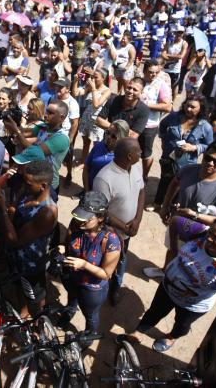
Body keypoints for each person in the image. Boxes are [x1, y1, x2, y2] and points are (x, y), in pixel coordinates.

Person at [129, 216, 216, 352]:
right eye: (210, 232)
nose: (209, 238)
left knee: (181, 325)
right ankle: (139, 332)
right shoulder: (201, 233)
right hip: (167, 289)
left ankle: (171, 337)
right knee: (154, 312)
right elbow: (175, 221)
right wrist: (173, 250)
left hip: (192, 306)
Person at [147, 141, 216, 278]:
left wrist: (195, 215)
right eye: (208, 158)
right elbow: (174, 183)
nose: (211, 163)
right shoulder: (189, 170)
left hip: (202, 234)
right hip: (177, 222)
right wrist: (165, 205)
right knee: (172, 248)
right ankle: (166, 271)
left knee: (190, 261)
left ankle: (178, 280)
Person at [0, 159, 58, 317]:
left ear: (42, 186)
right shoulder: (28, 189)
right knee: (20, 287)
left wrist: (2, 210)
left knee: (36, 296)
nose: (23, 186)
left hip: (31, 264)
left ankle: (38, 323)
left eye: (28, 184)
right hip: (16, 258)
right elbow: (14, 206)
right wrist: (12, 208)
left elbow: (16, 240)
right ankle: (24, 311)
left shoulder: (47, 212)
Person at [93, 138, 145, 306]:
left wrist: (137, 220)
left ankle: (115, 288)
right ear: (130, 155)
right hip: (110, 235)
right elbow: (100, 211)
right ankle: (100, 291)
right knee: (105, 262)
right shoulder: (104, 178)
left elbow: (142, 191)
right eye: (138, 151)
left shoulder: (136, 167)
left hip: (128, 233)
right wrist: (124, 227)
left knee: (122, 260)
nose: (141, 153)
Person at [59, 191, 121, 332]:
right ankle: (69, 312)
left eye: (86, 218)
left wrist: (84, 264)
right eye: (80, 215)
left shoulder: (111, 240)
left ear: (100, 218)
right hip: (73, 278)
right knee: (72, 298)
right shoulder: (76, 223)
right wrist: (61, 248)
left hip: (92, 289)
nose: (81, 220)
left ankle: (88, 337)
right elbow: (66, 242)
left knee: (90, 315)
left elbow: (106, 274)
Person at [151, 95, 214, 210]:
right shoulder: (174, 116)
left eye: (193, 107)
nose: (188, 109)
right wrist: (163, 139)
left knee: (182, 183)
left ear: (201, 109)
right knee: (165, 179)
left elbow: (209, 146)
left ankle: (172, 206)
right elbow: (163, 125)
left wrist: (194, 147)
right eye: (187, 105)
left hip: (188, 161)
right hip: (169, 156)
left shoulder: (205, 126)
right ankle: (157, 203)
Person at [5, 99, 70, 193]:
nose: (46, 115)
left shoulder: (61, 138)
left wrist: (16, 131)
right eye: (47, 111)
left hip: (47, 185)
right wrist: (11, 123)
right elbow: (24, 133)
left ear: (61, 117)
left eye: (51, 113)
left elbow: (35, 151)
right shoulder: (44, 126)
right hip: (32, 177)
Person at [75, 68, 112, 174]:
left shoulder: (107, 91)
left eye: (95, 77)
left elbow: (97, 105)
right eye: (92, 77)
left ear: (103, 78)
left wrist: (93, 88)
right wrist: (76, 80)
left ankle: (94, 166)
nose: (92, 79)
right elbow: (77, 93)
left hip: (97, 122)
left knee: (97, 146)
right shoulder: (91, 86)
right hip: (87, 118)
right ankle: (84, 164)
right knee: (85, 143)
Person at [140, 60, 173, 178]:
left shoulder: (161, 84)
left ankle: (144, 177)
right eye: (150, 72)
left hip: (149, 125)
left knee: (146, 154)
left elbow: (167, 107)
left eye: (155, 72)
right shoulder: (138, 81)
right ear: (144, 71)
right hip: (133, 122)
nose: (153, 75)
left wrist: (146, 105)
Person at [82, 119, 130, 192]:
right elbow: (86, 169)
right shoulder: (98, 146)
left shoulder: (124, 157)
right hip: (91, 192)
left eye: (114, 136)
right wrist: (87, 191)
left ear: (122, 139)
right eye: (107, 132)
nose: (108, 137)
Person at [162, 25, 188, 93]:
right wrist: (174, 57)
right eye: (178, 32)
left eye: (181, 32)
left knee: (174, 87)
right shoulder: (169, 42)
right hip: (166, 68)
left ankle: (172, 102)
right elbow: (163, 54)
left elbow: (181, 56)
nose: (179, 34)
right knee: (163, 86)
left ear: (183, 33)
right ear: (175, 33)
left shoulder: (184, 43)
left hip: (175, 69)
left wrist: (168, 56)